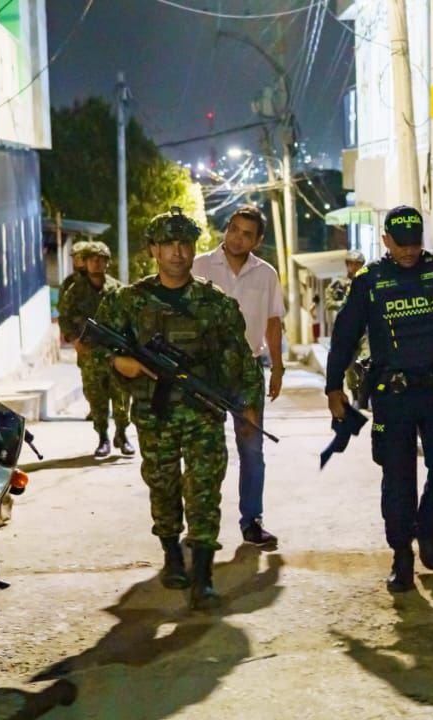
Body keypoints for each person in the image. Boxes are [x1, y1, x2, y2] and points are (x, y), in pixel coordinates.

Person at [326, 205, 433, 593]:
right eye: (400, 244)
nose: (408, 251)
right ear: (386, 240)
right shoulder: (370, 280)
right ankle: (401, 555)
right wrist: (333, 386)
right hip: (394, 395)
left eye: (414, 243)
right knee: (398, 479)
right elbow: (345, 335)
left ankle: (428, 527)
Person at [95, 207, 263, 608]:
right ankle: (172, 554)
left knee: (204, 489)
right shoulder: (128, 302)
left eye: (184, 243)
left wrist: (249, 407)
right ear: (153, 250)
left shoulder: (214, 303)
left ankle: (202, 575)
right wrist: (119, 362)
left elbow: (242, 359)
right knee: (163, 484)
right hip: (155, 415)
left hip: (203, 412)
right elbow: (94, 346)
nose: (177, 252)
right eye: (168, 244)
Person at [192, 205, 285, 547]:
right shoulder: (199, 266)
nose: (237, 238)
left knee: (251, 448)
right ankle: (200, 524)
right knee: (204, 449)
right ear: (226, 229)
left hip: (247, 371)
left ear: (257, 241)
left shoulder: (266, 274)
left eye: (247, 234)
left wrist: (278, 367)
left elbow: (273, 322)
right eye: (234, 229)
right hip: (205, 371)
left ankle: (252, 521)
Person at [58, 241, 133, 458]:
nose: (97, 263)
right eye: (93, 259)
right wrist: (74, 340)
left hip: (115, 353)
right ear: (86, 263)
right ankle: (103, 438)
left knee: (121, 396)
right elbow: (64, 318)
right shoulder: (75, 291)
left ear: (107, 263)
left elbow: (130, 319)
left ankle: (122, 435)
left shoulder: (118, 289)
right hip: (90, 353)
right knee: (96, 397)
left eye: (102, 260)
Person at [327, 249, 369, 401]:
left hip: (365, 329)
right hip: (346, 330)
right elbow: (329, 302)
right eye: (351, 264)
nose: (354, 267)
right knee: (350, 366)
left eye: (358, 264)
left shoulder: (368, 282)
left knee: (367, 360)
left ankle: (366, 394)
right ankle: (355, 395)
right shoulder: (338, 284)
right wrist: (346, 305)